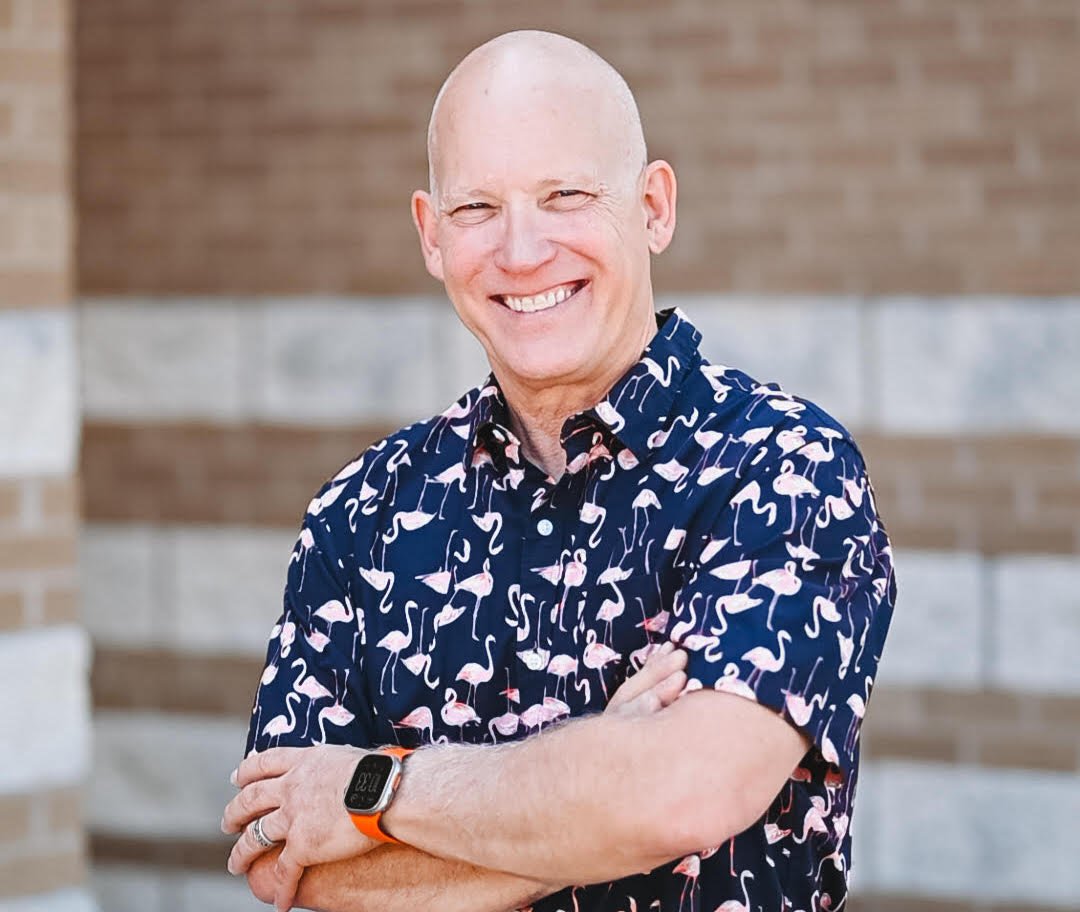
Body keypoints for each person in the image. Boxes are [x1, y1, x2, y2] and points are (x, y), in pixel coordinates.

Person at [221, 29, 896, 912]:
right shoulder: (363, 509)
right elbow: (287, 866)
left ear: (653, 207)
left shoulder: (781, 469)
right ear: (430, 235)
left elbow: (686, 793)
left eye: (565, 194)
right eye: (476, 210)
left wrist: (374, 793)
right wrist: (602, 789)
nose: (522, 249)